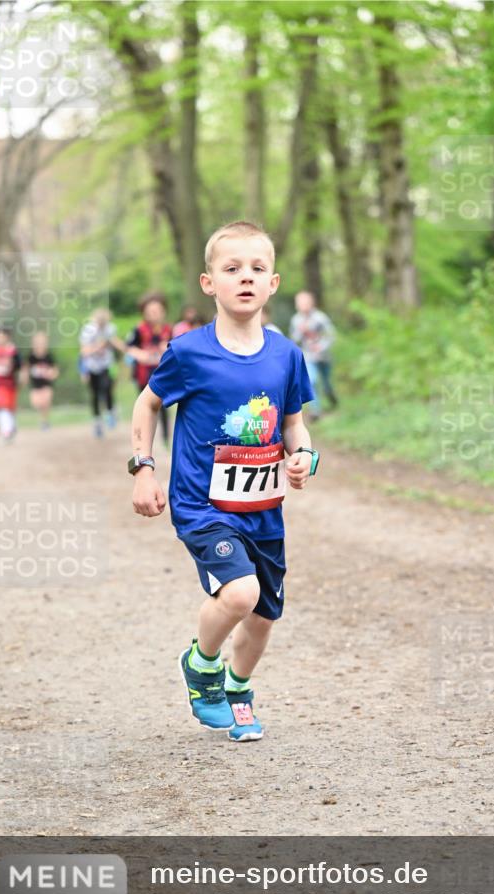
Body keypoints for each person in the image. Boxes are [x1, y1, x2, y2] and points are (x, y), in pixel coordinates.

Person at [129, 220, 317, 742]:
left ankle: (238, 689)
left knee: (261, 617)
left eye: (257, 269)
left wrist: (304, 457)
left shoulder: (286, 356)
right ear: (209, 282)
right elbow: (147, 404)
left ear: (273, 283)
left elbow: (293, 424)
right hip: (203, 505)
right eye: (232, 269)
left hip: (263, 510)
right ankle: (201, 664)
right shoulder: (188, 352)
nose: (245, 278)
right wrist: (143, 469)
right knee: (239, 593)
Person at [127, 292, 173, 445]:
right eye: (150, 312)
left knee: (164, 406)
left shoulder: (168, 329)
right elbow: (130, 348)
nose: (154, 314)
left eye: (157, 311)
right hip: (143, 374)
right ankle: (143, 440)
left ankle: (166, 438)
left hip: (163, 374)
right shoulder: (139, 330)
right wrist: (141, 355)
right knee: (144, 407)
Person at [289, 290, 338, 418]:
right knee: (312, 380)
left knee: (326, 382)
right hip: (308, 356)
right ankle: (315, 410)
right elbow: (294, 340)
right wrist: (300, 331)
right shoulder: (296, 320)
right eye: (299, 302)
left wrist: (321, 347)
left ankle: (331, 396)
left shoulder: (320, 317)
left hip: (324, 356)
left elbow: (331, 335)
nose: (302, 305)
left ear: (312, 303)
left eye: (305, 301)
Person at [79, 308, 125, 438]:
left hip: (106, 364)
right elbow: (84, 352)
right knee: (95, 394)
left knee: (107, 388)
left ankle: (110, 412)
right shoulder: (88, 330)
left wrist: (126, 348)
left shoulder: (110, 328)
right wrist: (97, 348)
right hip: (91, 366)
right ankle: (97, 422)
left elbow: (115, 341)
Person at [0, 328, 22, 442]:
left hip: (10, 383)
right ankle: (6, 431)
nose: (0, 339)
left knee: (9, 407)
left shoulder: (12, 351)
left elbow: (17, 366)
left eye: (2, 336)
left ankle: (11, 428)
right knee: (2, 406)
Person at [25, 331, 59, 430]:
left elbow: (55, 369)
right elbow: (26, 368)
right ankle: (42, 418)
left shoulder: (49, 356)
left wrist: (52, 374)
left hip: (46, 384)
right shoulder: (31, 356)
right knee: (36, 403)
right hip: (35, 385)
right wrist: (25, 378)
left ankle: (45, 421)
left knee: (46, 401)